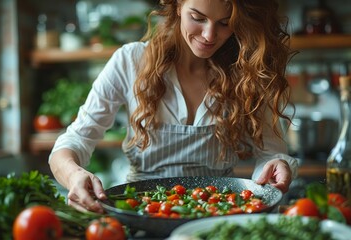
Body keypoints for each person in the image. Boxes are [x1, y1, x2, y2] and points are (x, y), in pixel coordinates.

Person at [49, 0, 298, 213]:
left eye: (225, 23)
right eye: (197, 18)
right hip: (143, 212)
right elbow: (74, 141)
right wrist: (73, 176)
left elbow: (271, 154)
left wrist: (277, 165)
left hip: (219, 214)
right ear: (178, 5)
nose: (209, 35)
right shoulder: (130, 61)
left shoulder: (247, 73)